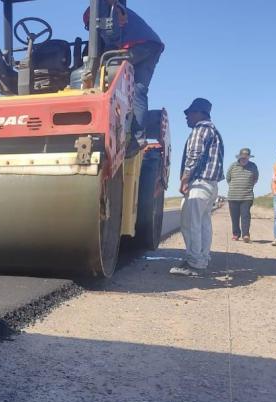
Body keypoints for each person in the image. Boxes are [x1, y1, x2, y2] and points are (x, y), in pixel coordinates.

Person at [84, 0, 164, 150]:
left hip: (137, 45)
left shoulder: (102, 12)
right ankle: (138, 138)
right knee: (139, 90)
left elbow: (111, 38)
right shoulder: (115, 8)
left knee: (106, 67)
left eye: (89, 27)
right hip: (152, 45)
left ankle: (99, 117)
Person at [170, 98, 224, 277]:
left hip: (200, 183)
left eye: (189, 113)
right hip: (211, 184)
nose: (186, 117)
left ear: (200, 113)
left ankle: (194, 263)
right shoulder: (214, 131)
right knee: (203, 224)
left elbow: (194, 155)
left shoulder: (200, 130)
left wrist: (185, 179)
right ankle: (202, 258)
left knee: (190, 223)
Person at [226, 148, 259, 242]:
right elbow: (228, 178)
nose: (244, 159)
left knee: (245, 216)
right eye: (243, 158)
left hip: (247, 196)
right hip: (233, 196)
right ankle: (236, 234)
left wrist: (247, 186)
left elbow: (255, 178)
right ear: (239, 157)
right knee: (234, 217)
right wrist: (235, 187)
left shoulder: (253, 166)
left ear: (249, 158)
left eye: (246, 158)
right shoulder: (233, 166)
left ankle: (245, 235)